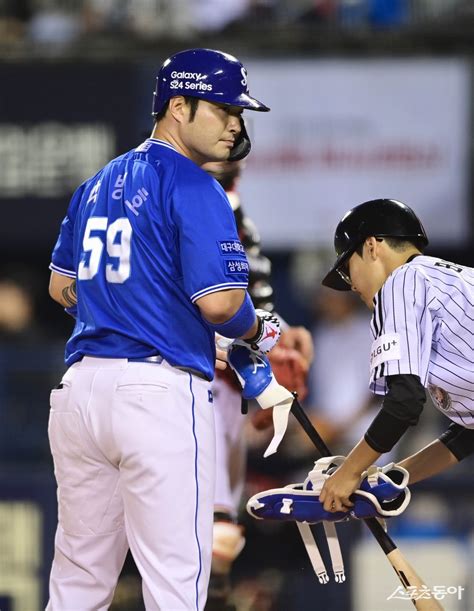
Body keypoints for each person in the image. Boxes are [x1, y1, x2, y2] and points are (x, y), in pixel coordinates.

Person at [46, 48, 282, 611]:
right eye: (224, 109)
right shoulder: (196, 186)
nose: (235, 124)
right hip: (157, 395)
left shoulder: (97, 182)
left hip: (81, 395)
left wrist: (125, 302)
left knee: (78, 580)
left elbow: (61, 288)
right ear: (179, 105)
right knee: (177, 583)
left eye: (239, 113)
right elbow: (223, 305)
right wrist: (259, 330)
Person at [201, 159, 313, 611]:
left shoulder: (231, 208)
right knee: (192, 524)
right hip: (176, 375)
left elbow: (254, 299)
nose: (231, 137)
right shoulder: (183, 202)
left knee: (216, 525)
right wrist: (271, 339)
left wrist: (281, 336)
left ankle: (211, 596)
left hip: (215, 382)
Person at [318, 198, 474, 514]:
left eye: (348, 270)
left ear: (373, 247)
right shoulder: (450, 281)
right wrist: (389, 478)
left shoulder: (402, 281)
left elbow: (404, 400)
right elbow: (467, 435)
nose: (350, 287)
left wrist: (349, 471)